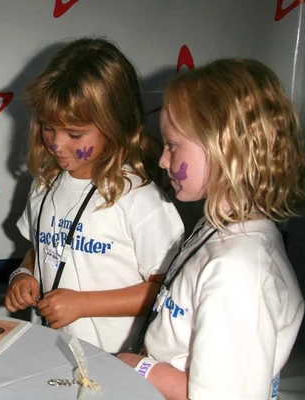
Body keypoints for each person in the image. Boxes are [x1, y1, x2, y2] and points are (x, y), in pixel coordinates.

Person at [117, 59, 305, 400]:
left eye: (172, 145)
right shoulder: (217, 230)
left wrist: (139, 368)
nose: (162, 160)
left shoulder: (240, 269)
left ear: (226, 147)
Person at [4, 37, 184, 353]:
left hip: (121, 363)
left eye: (74, 134)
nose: (57, 144)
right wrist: (23, 273)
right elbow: (44, 248)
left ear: (115, 125)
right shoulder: (44, 185)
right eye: (48, 128)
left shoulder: (141, 200)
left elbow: (168, 291)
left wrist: (84, 303)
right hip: (59, 352)